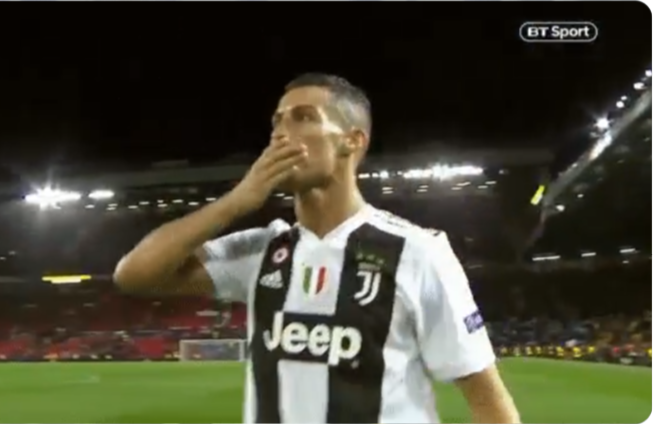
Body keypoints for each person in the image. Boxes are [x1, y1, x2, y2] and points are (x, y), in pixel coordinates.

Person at [114, 73, 520, 424]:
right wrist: (235, 203)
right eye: (277, 122)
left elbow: (489, 403)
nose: (281, 133)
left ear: (352, 141)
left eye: (303, 117)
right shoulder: (261, 251)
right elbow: (133, 275)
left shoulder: (417, 252)